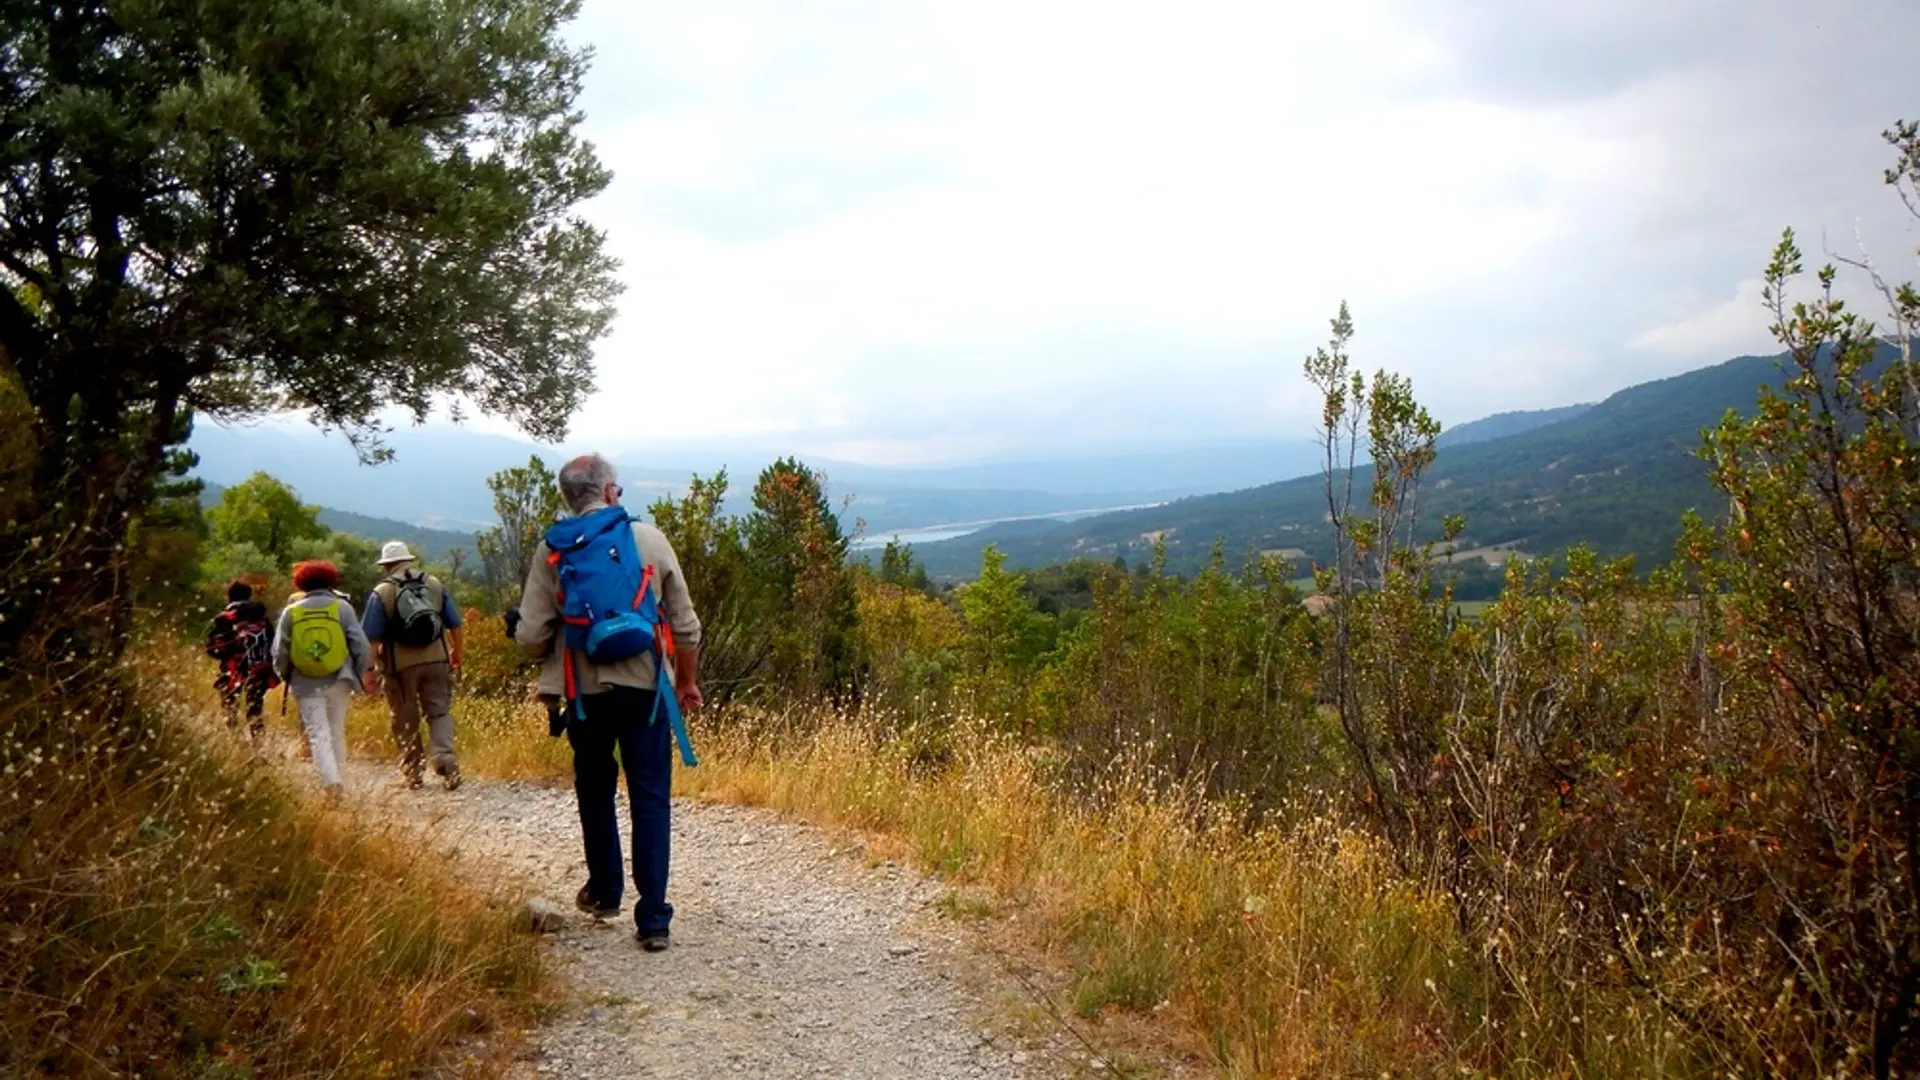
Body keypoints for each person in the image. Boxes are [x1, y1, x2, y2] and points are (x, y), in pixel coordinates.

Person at [510, 453, 702, 952]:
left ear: (568, 498)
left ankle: (605, 892)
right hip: (646, 691)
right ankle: (655, 918)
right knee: (650, 797)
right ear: (611, 491)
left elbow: (531, 637)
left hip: (584, 694)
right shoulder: (649, 540)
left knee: (595, 790)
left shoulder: (554, 549)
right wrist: (685, 681)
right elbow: (686, 626)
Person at [360, 541, 465, 790]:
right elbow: (456, 624)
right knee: (439, 712)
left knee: (405, 717)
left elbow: (372, 639)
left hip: (400, 667)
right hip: (437, 659)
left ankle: (413, 773)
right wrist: (456, 652)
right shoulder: (435, 584)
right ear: (409, 560)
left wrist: (368, 670)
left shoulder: (382, 592)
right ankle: (446, 761)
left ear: (386, 565)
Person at [272, 560, 372, 796]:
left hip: (305, 682)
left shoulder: (292, 611)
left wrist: (287, 676)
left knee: (318, 733)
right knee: (336, 730)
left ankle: (331, 783)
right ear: (331, 580)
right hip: (340, 678)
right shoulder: (342, 608)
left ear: (301, 583)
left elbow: (279, 651)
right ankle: (339, 780)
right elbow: (362, 646)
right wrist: (356, 673)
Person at [203, 580, 277, 736]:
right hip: (257, 669)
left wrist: (223, 656)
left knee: (230, 706)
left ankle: (235, 741)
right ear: (249, 596)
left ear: (229, 597)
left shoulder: (223, 618)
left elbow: (210, 647)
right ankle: (258, 744)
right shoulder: (261, 617)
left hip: (231, 669)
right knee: (255, 708)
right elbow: (272, 643)